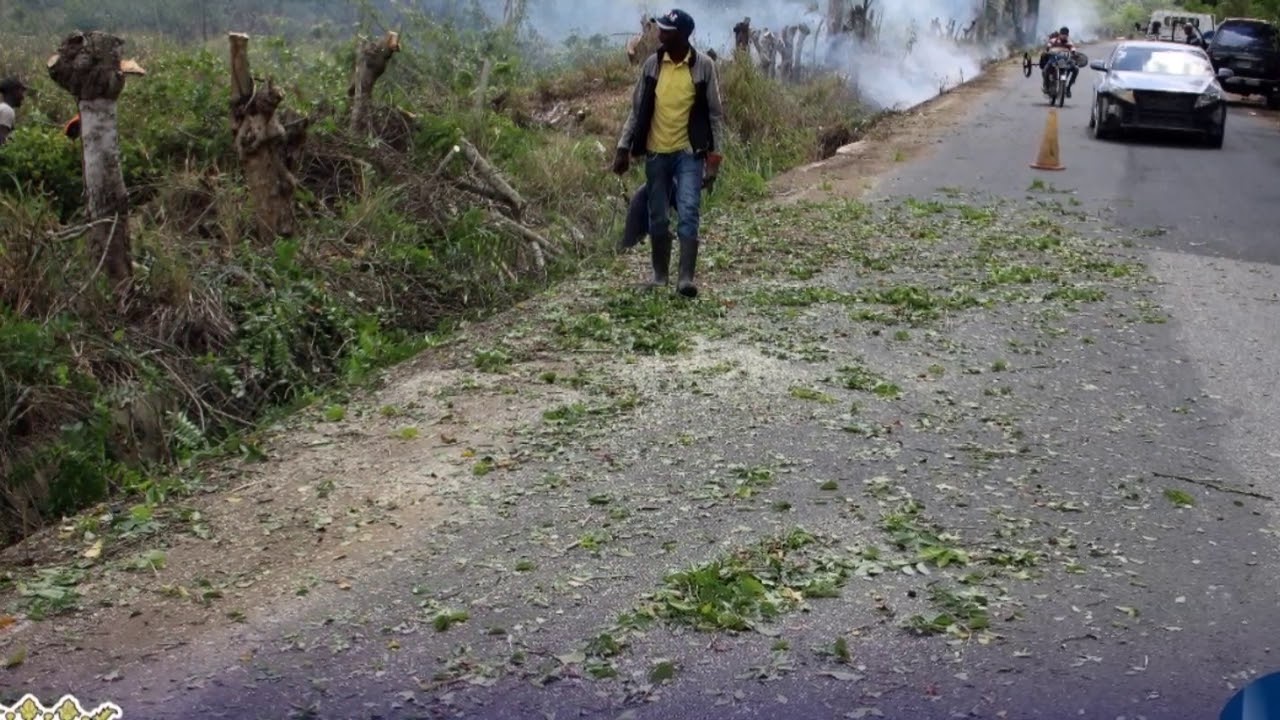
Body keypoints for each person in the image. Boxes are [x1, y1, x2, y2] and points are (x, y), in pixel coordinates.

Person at [613, 8, 725, 299]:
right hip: (655, 153)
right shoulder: (652, 65)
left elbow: (715, 115)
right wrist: (623, 148)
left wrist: (714, 159)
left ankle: (685, 279)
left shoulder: (703, 67)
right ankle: (659, 276)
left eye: (666, 31)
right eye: (659, 28)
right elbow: (637, 111)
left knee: (689, 210)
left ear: (683, 36)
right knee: (658, 215)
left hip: (689, 152)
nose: (659, 34)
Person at [0, 77, 27, 146]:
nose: (23, 97)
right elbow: (2, 141)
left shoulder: (3, 108)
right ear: (14, 91)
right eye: (21, 91)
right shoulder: (7, 110)